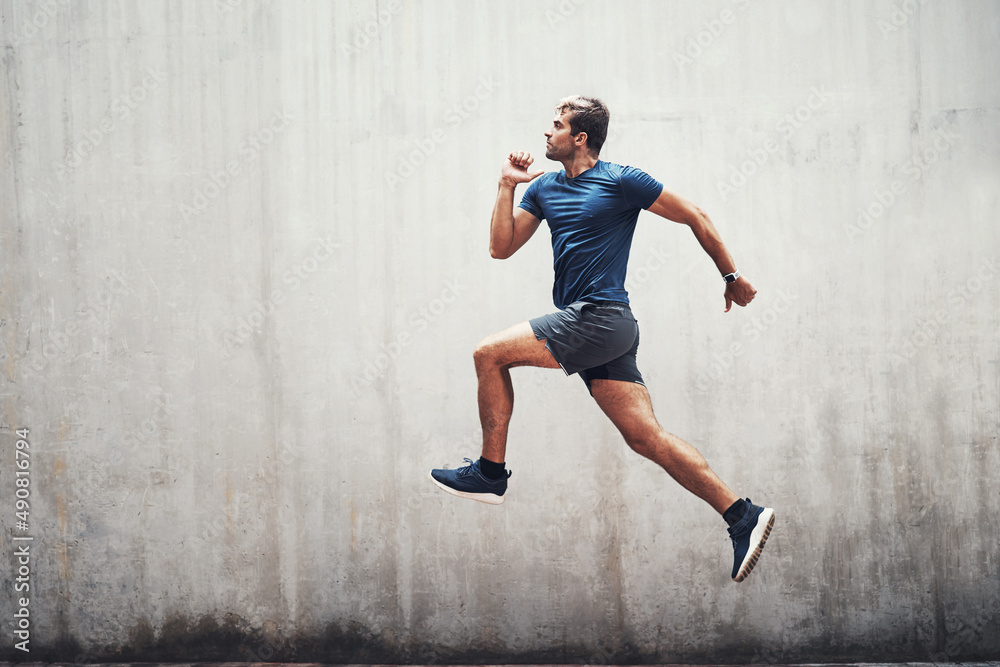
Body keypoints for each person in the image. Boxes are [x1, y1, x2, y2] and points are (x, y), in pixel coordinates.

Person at [429, 95, 774, 582]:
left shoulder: (621, 179)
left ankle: (489, 472)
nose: (546, 133)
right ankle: (741, 514)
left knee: (488, 354)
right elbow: (500, 248)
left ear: (581, 137)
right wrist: (507, 185)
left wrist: (731, 275)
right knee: (645, 438)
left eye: (556, 125)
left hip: (601, 319)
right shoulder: (545, 188)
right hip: (593, 327)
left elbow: (694, 214)